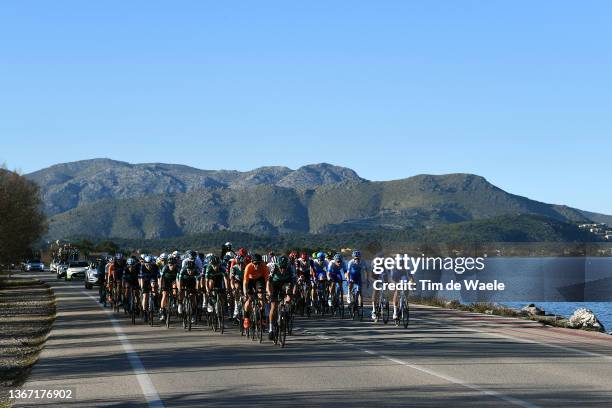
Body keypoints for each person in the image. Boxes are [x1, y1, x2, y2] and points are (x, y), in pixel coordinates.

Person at [267, 256, 295, 340]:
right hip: (275, 284)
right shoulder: (274, 267)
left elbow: (294, 282)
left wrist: (292, 294)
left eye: (284, 267)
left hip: (286, 283)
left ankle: (285, 311)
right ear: (278, 265)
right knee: (274, 306)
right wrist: (269, 293)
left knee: (289, 294)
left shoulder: (290, 267)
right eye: (281, 267)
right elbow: (269, 282)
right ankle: (271, 329)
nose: (282, 269)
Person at [242, 253, 269, 330]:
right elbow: (245, 283)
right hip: (250, 281)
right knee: (249, 299)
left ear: (261, 262)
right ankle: (246, 318)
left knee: (261, 296)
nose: (257, 265)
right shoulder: (248, 267)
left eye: (259, 263)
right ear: (252, 262)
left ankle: (262, 317)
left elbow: (267, 281)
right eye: (255, 263)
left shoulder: (264, 267)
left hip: (259, 280)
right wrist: (245, 293)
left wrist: (267, 292)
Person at [158, 255, 179, 321]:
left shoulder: (177, 269)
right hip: (166, 281)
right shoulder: (165, 268)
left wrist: (179, 288)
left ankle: (174, 302)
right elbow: (161, 279)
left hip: (173, 281)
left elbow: (178, 279)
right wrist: (161, 287)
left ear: (175, 264)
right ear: (168, 264)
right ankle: (162, 311)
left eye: (173, 264)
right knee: (164, 295)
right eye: (170, 264)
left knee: (175, 288)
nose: (171, 266)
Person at [139, 256, 159, 322]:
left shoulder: (155, 266)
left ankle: (155, 302)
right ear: (144, 263)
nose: (148, 265)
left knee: (154, 289)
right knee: (145, 296)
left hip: (153, 280)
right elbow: (141, 279)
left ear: (152, 263)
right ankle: (145, 312)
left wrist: (158, 286)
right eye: (147, 264)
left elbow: (158, 277)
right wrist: (142, 288)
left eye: (150, 264)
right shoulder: (142, 267)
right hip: (145, 281)